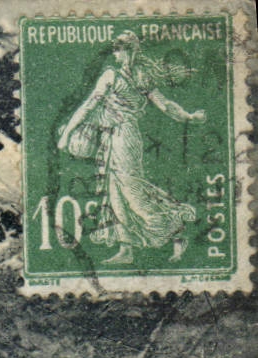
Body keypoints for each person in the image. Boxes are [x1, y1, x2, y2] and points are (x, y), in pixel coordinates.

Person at [57, 31, 206, 263]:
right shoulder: (123, 75)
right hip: (112, 137)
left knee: (131, 190)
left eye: (120, 48)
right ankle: (126, 249)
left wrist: (189, 116)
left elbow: (165, 105)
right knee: (115, 193)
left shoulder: (133, 76)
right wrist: (189, 116)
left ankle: (177, 231)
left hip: (124, 137)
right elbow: (90, 106)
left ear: (130, 50)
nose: (116, 53)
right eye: (115, 49)